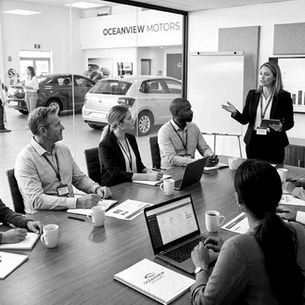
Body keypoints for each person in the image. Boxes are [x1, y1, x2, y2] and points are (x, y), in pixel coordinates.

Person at [191, 160, 305, 305]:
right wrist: (230, 248)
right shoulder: (299, 230)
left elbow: (204, 303)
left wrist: (201, 268)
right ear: (278, 194)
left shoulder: (238, 247)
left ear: (238, 198)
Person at [15, 107, 112, 214]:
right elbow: (37, 200)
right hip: (44, 219)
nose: (63, 127)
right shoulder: (25, 159)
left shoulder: (63, 149)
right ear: (43, 130)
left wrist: (96, 188)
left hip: (70, 211)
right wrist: (77, 202)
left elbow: (78, 178)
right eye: (57, 125)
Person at [222, 61, 294, 164]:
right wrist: (235, 113)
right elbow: (245, 120)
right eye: (260, 73)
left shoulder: (284, 97)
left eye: (266, 74)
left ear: (274, 77)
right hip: (253, 141)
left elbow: (290, 122)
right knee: (253, 173)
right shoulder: (252, 94)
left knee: (271, 173)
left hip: (274, 142)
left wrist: (281, 126)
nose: (262, 77)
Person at [99, 105, 162, 186]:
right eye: (129, 118)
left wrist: (148, 171)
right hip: (116, 187)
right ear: (119, 124)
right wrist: (147, 177)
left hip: (133, 184)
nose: (133, 120)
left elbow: (138, 165)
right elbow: (116, 174)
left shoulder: (130, 138)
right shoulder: (105, 145)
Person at [158, 98, 218, 169]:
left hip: (190, 169)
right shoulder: (164, 131)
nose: (191, 112)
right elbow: (172, 158)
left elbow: (204, 148)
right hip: (171, 173)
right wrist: (199, 163)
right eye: (188, 109)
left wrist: (211, 157)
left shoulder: (193, 127)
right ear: (179, 113)